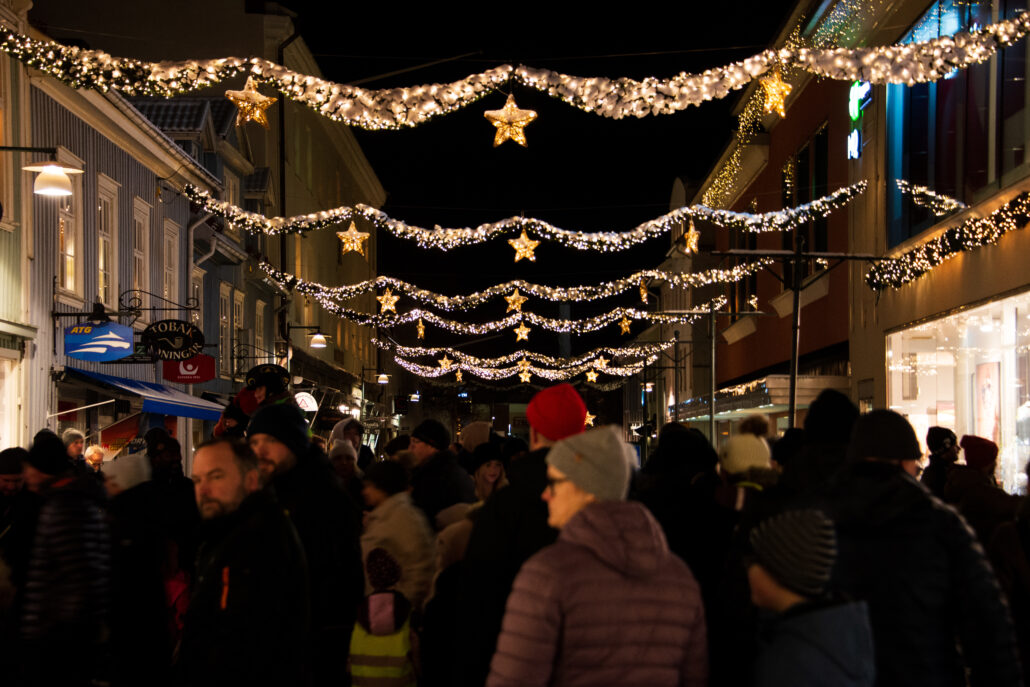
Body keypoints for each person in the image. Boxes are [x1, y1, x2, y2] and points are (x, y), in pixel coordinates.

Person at [487, 425, 707, 686]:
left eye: (554, 482)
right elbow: (694, 677)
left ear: (586, 488)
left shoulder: (547, 574)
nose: (545, 494)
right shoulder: (679, 576)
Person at [826, 409, 1022, 686]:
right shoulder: (940, 524)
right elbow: (987, 627)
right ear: (905, 461)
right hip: (927, 675)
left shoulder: (816, 520)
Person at [445, 384, 582, 687]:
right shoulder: (603, 499)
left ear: (533, 435)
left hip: (515, 659)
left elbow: (478, 603)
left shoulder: (503, 507)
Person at [248, 403, 364, 684]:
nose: (260, 450)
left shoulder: (323, 497)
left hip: (311, 646)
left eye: (271, 441)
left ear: (294, 443)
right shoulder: (269, 491)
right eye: (254, 442)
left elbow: (337, 579)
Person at [179, 437, 309, 686]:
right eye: (197, 480)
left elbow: (239, 646)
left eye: (216, 476)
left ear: (250, 480)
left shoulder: (258, 541)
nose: (203, 490)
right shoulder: (227, 532)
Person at [19, 431, 111, 686]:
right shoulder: (77, 501)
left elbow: (77, 577)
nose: (26, 476)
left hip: (59, 642)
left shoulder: (64, 508)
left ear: (43, 469)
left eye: (30, 469)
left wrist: (52, 638)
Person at [748, 509, 875, 687]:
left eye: (756, 561)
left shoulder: (792, 664)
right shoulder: (841, 636)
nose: (748, 569)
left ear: (780, 572)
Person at [360, 461, 435, 613]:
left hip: (391, 613)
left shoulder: (402, 517)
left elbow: (419, 569)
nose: (364, 492)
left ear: (382, 487)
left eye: (369, 486)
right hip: (382, 608)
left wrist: (399, 609)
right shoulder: (386, 515)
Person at [943, 434, 1020, 544]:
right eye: (994, 459)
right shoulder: (979, 489)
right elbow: (1011, 504)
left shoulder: (963, 482)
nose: (996, 463)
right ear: (987, 463)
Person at [408, 419, 475, 525]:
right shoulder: (441, 470)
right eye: (410, 442)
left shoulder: (436, 478)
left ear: (432, 445)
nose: (410, 448)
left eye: (415, 442)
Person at [921, 426, 958, 499]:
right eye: (955, 445)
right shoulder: (939, 475)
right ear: (945, 448)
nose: (958, 448)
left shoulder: (932, 472)